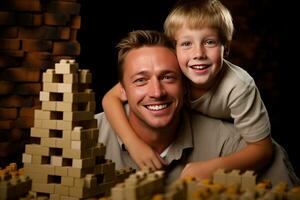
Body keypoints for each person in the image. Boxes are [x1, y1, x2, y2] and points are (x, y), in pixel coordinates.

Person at [96, 30, 299, 186]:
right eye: (141, 80)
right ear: (122, 90)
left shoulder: (233, 146)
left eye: (168, 77)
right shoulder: (86, 135)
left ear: (185, 85)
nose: (157, 92)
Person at [101, 0, 274, 179]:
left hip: (225, 141)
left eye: (209, 42)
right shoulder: (175, 70)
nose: (198, 53)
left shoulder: (239, 87)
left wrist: (212, 169)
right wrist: (133, 143)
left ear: (226, 47)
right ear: (174, 50)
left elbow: (263, 149)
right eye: (186, 44)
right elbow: (110, 98)